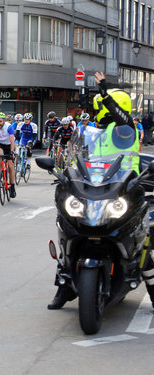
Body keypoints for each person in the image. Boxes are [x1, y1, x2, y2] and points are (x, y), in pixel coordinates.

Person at [48, 71, 154, 310]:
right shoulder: (93, 131)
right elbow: (79, 156)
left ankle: (151, 287)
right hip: (95, 186)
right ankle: (64, 286)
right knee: (69, 225)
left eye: (102, 107)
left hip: (125, 186)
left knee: (142, 240)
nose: (99, 112)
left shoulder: (125, 129)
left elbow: (119, 115)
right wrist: (67, 174)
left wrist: (104, 91)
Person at [0, 112, 17, 198]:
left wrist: (12, 151)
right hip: (1, 145)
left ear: (4, 121)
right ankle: (0, 171)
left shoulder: (9, 127)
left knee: (10, 166)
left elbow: (12, 140)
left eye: (0, 121)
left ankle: (12, 186)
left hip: (9, 146)